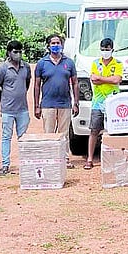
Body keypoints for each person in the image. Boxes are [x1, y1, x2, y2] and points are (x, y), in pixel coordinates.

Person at [33, 34, 79, 168]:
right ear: (48, 46)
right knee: (49, 134)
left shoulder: (69, 62)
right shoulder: (42, 63)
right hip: (48, 104)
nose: (55, 45)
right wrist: (37, 105)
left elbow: (75, 83)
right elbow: (36, 85)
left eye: (58, 43)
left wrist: (76, 103)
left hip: (65, 104)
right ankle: (50, 159)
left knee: (64, 133)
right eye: (53, 43)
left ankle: (64, 159)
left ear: (62, 45)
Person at [0, 40, 32, 176]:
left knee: (23, 137)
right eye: (15, 52)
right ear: (9, 53)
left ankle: (25, 163)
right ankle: (5, 164)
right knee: (6, 137)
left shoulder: (26, 67)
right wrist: (4, 100)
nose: (18, 54)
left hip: (23, 109)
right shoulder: (2, 69)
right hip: (7, 110)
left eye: (20, 51)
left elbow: (27, 83)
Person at [85, 38, 122, 170]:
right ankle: (89, 159)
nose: (105, 51)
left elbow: (117, 79)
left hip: (113, 102)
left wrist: (101, 78)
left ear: (112, 49)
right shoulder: (95, 63)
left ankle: (114, 158)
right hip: (98, 102)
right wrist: (108, 80)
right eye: (103, 49)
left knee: (114, 130)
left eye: (107, 49)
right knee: (94, 130)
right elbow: (94, 80)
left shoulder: (117, 63)